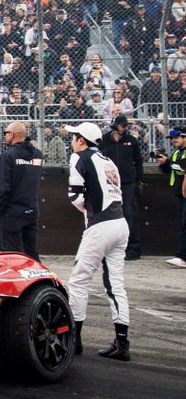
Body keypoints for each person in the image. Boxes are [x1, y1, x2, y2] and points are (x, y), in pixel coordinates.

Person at [66, 121, 131, 361]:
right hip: (120, 222)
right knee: (115, 284)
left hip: (100, 225)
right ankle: (122, 343)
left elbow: (75, 196)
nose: (71, 140)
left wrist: (89, 212)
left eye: (73, 137)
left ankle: (74, 340)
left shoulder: (79, 158)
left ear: (81, 140)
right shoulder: (108, 161)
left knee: (79, 280)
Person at [98, 114, 144, 260]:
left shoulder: (132, 140)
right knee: (108, 214)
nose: (125, 128)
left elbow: (138, 161)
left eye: (126, 126)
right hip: (109, 183)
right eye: (123, 125)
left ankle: (133, 248)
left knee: (130, 213)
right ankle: (109, 248)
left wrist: (140, 180)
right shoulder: (104, 140)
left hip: (128, 182)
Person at [0, 121, 43, 259]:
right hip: (31, 210)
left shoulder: (8, 156)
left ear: (12, 134)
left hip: (12, 212)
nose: (4, 136)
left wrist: (0, 211)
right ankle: (38, 278)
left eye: (6, 133)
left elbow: (4, 188)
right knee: (32, 252)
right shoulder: (38, 154)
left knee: (12, 254)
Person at [154, 128, 186, 267]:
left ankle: (182, 256)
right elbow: (171, 169)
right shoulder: (177, 152)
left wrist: (169, 162)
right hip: (179, 193)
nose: (174, 140)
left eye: (177, 137)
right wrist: (164, 163)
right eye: (173, 138)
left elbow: (182, 167)